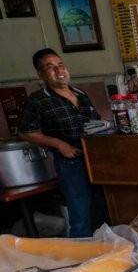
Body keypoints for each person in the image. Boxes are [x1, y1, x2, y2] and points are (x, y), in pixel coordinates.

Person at [19, 48, 108, 238]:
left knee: (101, 210)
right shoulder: (39, 100)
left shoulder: (80, 94)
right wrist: (59, 144)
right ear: (41, 74)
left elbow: (96, 122)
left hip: (95, 160)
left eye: (61, 65)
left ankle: (105, 255)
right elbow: (26, 132)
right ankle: (81, 261)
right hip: (70, 163)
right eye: (50, 68)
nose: (59, 71)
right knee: (80, 215)